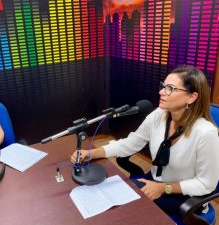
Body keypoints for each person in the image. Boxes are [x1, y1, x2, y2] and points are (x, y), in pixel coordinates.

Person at [71, 65, 219, 217]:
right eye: (163, 86)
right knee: (115, 201)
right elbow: (131, 143)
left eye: (170, 88)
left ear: (191, 97)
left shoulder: (206, 133)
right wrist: (92, 153)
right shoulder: (159, 115)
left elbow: (206, 184)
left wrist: (163, 188)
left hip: (186, 195)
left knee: (128, 212)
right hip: (156, 181)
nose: (161, 92)